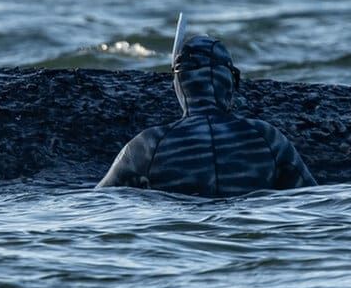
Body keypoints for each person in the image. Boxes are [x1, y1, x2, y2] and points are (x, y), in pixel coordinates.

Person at [98, 21, 317, 196]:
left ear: (179, 85)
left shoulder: (147, 145)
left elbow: (101, 201)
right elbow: (311, 198)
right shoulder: (267, 138)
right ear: (229, 82)